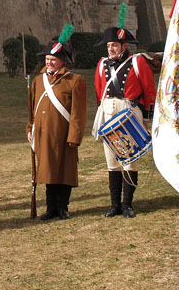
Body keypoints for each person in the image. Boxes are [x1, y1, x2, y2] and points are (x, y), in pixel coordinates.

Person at [92, 22, 156, 219]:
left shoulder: (138, 63)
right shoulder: (102, 64)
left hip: (130, 112)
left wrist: (146, 119)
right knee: (112, 162)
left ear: (124, 46)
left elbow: (149, 90)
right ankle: (114, 205)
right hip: (109, 112)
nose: (111, 49)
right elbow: (98, 91)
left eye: (115, 45)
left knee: (130, 161)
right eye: (109, 45)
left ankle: (128, 204)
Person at [26, 25, 87, 220]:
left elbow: (78, 113)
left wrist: (74, 136)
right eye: (47, 59)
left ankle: (63, 207)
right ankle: (50, 207)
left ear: (62, 61)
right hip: (43, 134)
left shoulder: (75, 81)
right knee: (47, 171)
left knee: (65, 172)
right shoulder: (37, 81)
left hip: (64, 133)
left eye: (53, 59)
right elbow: (31, 109)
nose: (49, 62)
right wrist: (30, 128)